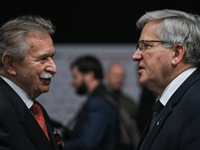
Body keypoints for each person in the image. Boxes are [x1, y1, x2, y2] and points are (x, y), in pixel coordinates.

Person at [132, 9, 200, 150]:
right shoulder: (174, 100)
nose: (135, 56)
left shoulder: (196, 101)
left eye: (146, 46)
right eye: (138, 47)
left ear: (176, 53)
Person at [0, 16, 62, 150]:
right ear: (10, 63)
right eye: (43, 58)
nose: (54, 68)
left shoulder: (35, 109)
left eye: (51, 57)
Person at [63, 55, 118, 150]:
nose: (73, 81)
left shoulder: (98, 103)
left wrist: (59, 146)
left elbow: (87, 144)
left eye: (75, 76)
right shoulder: (101, 98)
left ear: (89, 76)